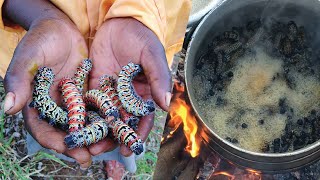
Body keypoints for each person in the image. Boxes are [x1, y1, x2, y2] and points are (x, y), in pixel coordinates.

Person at [1, 0, 190, 178]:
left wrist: (138, 16)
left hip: (116, 59)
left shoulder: (107, 97)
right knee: (61, 131)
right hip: (49, 53)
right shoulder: (73, 93)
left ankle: (115, 157)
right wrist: (41, 18)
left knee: (112, 134)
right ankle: (97, 148)